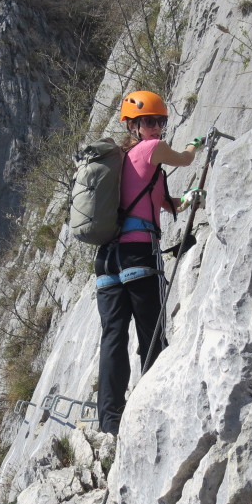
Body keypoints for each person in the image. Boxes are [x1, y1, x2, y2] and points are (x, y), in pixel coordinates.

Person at [95, 90, 202, 437]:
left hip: (107, 259)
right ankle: (157, 410)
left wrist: (184, 201)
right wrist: (196, 144)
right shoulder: (151, 149)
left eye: (161, 121)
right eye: (150, 121)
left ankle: (110, 422)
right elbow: (184, 159)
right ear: (133, 125)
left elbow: (157, 202)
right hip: (139, 253)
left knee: (112, 337)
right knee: (151, 331)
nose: (157, 127)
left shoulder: (123, 162)